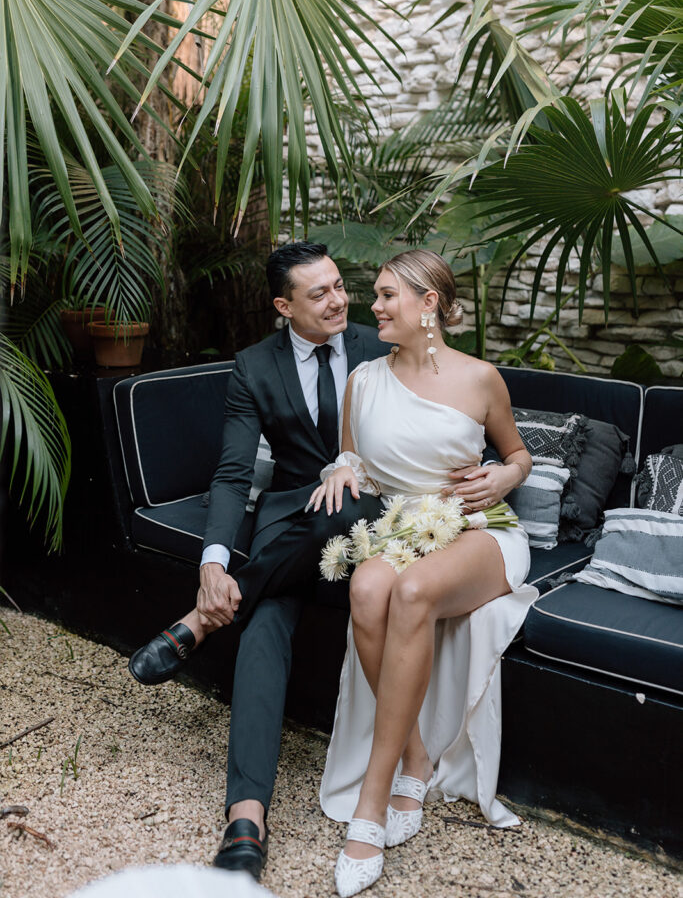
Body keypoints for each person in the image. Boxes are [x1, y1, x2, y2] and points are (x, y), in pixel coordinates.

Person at [128, 242, 390, 882]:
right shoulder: (253, 366)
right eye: (319, 293)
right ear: (283, 306)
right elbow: (233, 471)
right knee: (265, 622)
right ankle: (246, 816)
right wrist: (212, 563)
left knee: (346, 504)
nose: (338, 299)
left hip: (368, 511)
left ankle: (198, 623)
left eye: (338, 284)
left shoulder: (381, 344)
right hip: (290, 525)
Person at [308, 250, 538, 898]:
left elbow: (517, 454)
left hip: (478, 531)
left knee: (407, 592)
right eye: (375, 296)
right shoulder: (363, 379)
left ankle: (374, 802)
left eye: (386, 296)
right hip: (402, 527)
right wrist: (343, 471)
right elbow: (348, 458)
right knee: (366, 587)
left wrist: (504, 474)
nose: (373, 307)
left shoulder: (479, 378)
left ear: (427, 303)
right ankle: (413, 754)